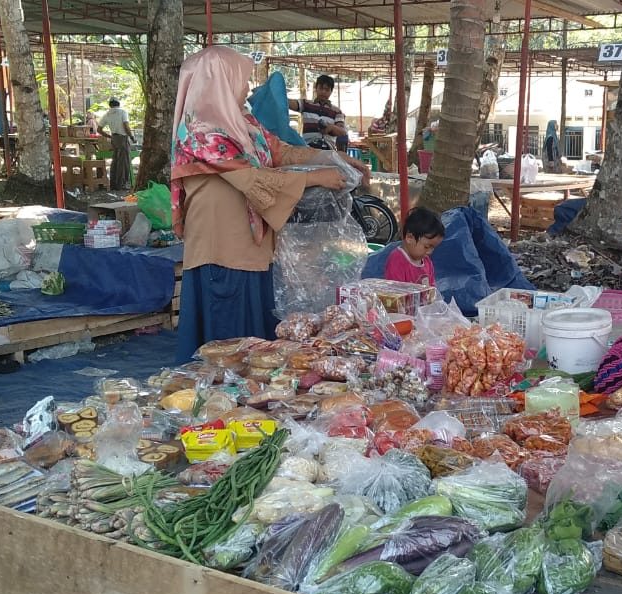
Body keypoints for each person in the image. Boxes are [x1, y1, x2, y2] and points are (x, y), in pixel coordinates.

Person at [171, 47, 370, 362]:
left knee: (256, 350)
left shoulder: (243, 123)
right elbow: (251, 178)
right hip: (222, 255)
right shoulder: (200, 134)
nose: (247, 89)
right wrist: (314, 177)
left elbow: (282, 152)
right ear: (219, 82)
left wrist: (334, 157)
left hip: (254, 248)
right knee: (227, 348)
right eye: (241, 80)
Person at [384, 207, 444, 287]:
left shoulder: (427, 262)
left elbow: (431, 290)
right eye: (426, 247)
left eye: (433, 248)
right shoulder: (397, 260)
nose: (430, 252)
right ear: (409, 238)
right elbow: (395, 293)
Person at [289, 74, 347, 151]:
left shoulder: (337, 111)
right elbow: (289, 103)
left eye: (327, 90)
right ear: (316, 88)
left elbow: (343, 132)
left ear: (331, 91)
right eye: (321, 88)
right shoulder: (306, 104)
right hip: (308, 148)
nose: (323, 92)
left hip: (328, 150)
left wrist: (331, 128)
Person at [98, 98, 135, 190]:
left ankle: (113, 184)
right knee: (123, 162)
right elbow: (126, 126)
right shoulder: (122, 112)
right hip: (122, 138)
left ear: (110, 105)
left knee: (115, 161)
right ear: (118, 104)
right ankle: (121, 184)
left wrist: (109, 136)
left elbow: (99, 130)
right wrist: (132, 137)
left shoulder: (107, 114)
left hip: (114, 138)